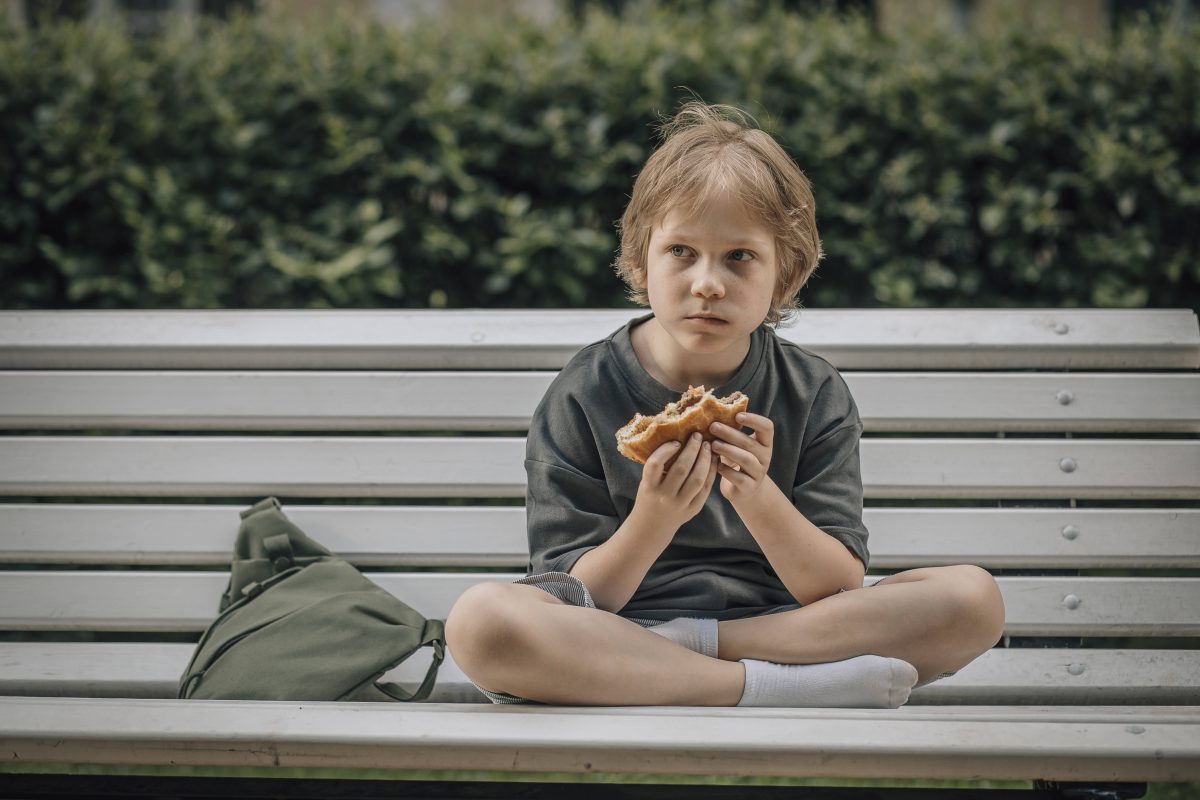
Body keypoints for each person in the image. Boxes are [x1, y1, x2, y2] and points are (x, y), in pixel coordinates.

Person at [445, 101, 1006, 707]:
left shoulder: (812, 392)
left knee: (973, 601)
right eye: (681, 251)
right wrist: (655, 517)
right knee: (484, 623)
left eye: (739, 256)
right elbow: (581, 598)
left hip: (789, 627)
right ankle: (770, 689)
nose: (707, 282)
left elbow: (835, 585)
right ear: (641, 258)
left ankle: (699, 661)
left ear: (784, 274)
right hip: (617, 631)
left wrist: (757, 496)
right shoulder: (583, 392)